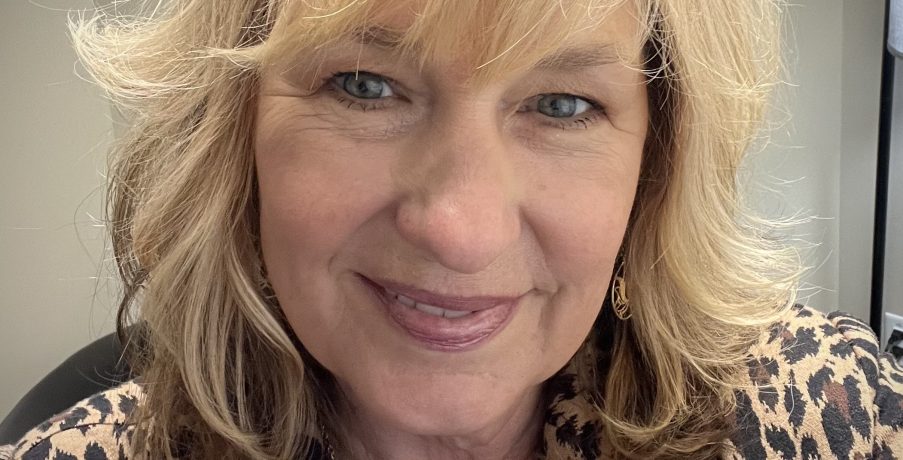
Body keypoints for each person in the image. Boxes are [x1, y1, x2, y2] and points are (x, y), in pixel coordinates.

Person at [3, 0, 902, 459]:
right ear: (234, 132)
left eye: (562, 104)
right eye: (364, 86)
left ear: (654, 166)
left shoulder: (831, 417)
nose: (460, 231)